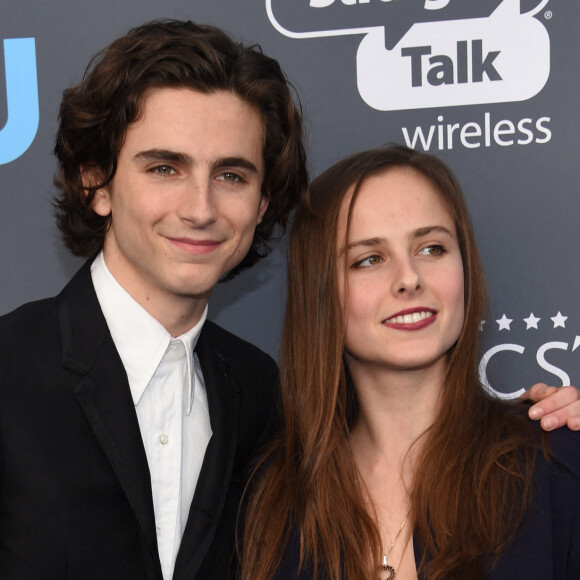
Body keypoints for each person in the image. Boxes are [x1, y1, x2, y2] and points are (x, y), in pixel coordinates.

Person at [0, 19, 307, 580]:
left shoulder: (261, 392)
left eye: (232, 176)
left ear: (262, 204)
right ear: (96, 183)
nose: (200, 208)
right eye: (165, 168)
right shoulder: (8, 367)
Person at [241, 146, 580, 579]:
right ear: (318, 293)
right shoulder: (271, 496)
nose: (408, 278)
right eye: (369, 259)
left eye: (432, 248)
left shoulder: (556, 463)